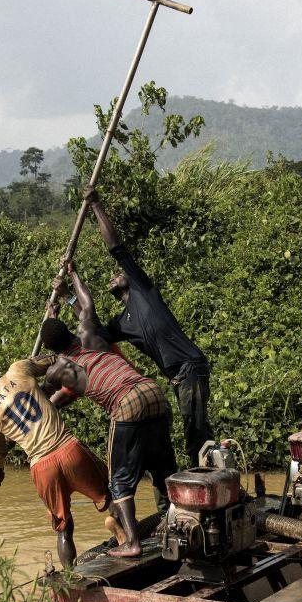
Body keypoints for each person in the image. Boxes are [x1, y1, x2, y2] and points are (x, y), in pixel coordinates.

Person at [39, 264, 176, 559]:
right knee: (163, 467)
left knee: (119, 479)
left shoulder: (58, 370)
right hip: (152, 391)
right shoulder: (90, 333)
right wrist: (74, 275)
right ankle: (175, 520)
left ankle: (132, 542)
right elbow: (86, 304)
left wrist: (49, 317)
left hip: (125, 402)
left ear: (52, 350)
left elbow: (45, 393)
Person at [82, 184, 214, 466]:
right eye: (112, 278)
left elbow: (115, 247)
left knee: (195, 432)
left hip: (190, 366)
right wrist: (71, 294)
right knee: (197, 430)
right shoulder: (122, 324)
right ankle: (211, 476)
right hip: (179, 376)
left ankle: (205, 483)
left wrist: (95, 205)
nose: (113, 277)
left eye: (118, 275)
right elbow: (90, 330)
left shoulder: (143, 290)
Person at [0, 354, 109, 568]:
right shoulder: (18, 369)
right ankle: (131, 539)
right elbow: (53, 361)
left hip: (42, 467)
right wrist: (44, 387)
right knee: (113, 495)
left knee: (63, 528)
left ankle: (70, 575)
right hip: (68, 448)